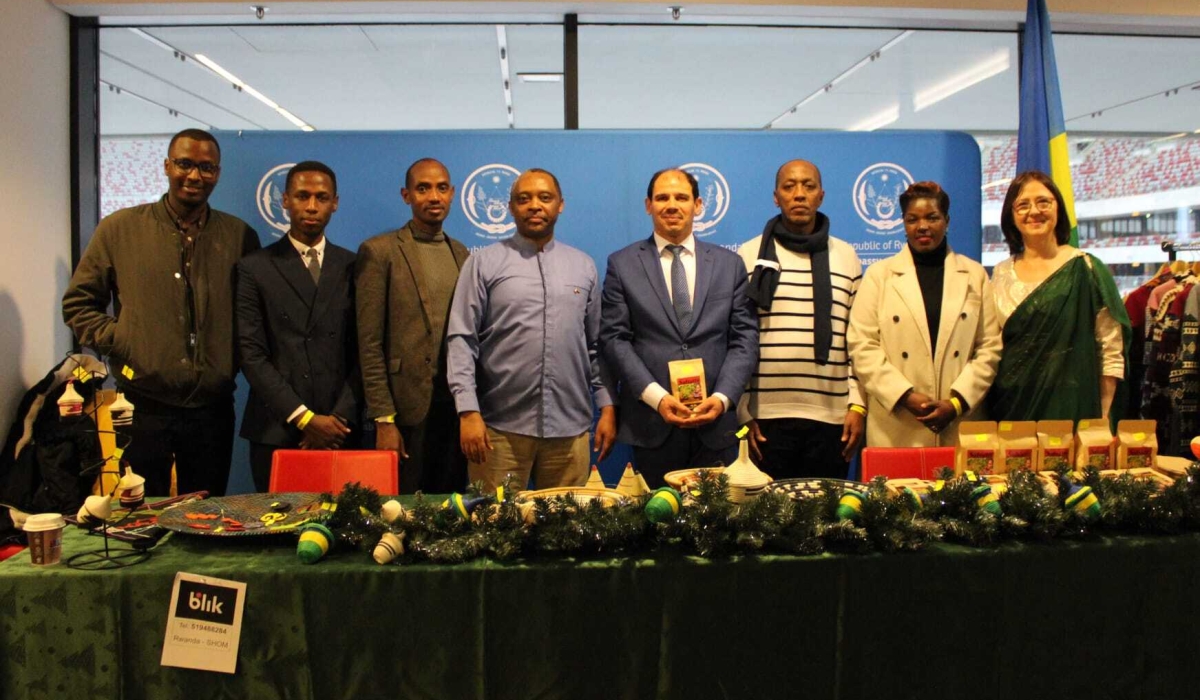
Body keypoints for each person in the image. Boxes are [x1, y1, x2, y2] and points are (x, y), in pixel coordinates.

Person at [62, 129, 260, 497]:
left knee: (206, 517)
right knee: (140, 517)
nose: (195, 176)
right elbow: (78, 304)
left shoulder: (239, 236)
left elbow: (252, 316)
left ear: (217, 173)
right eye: (185, 164)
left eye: (207, 167)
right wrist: (124, 340)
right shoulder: (119, 228)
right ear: (167, 166)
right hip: (140, 404)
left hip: (212, 407)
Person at [447, 168, 615, 490]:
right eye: (524, 199)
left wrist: (607, 405)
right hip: (499, 430)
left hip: (570, 430)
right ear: (511, 207)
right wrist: (468, 411)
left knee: (564, 531)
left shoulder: (583, 266)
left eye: (545, 197)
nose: (534, 205)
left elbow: (596, 346)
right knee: (496, 531)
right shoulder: (484, 263)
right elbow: (462, 340)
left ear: (560, 205)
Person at [600, 168, 759, 486]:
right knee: (659, 524)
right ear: (648, 205)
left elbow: (745, 338)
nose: (671, 205)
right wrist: (657, 397)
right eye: (662, 198)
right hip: (652, 422)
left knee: (717, 527)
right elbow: (615, 339)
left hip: (716, 424)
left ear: (698, 205)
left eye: (681, 197)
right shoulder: (623, 264)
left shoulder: (729, 265)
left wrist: (723, 398)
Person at [235, 161, 361, 491]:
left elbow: (367, 349)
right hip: (278, 427)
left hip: (341, 429)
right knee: (278, 534)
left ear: (335, 202)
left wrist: (338, 419)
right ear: (285, 200)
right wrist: (305, 418)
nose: (311, 206)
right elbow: (252, 354)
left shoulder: (354, 265)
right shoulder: (255, 268)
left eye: (321, 198)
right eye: (302, 196)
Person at [847, 181, 1003, 447]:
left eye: (932, 217)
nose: (922, 226)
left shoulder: (974, 274)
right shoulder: (879, 275)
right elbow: (862, 345)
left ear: (947, 220)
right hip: (896, 424)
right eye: (912, 219)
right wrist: (904, 396)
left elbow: (989, 347)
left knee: (959, 489)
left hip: (959, 421)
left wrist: (956, 403)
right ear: (904, 223)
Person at [735, 160, 864, 479]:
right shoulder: (749, 255)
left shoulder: (846, 256)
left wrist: (857, 405)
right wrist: (741, 412)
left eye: (808, 186)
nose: (799, 194)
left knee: (828, 522)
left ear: (821, 195)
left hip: (832, 418)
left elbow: (858, 340)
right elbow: (738, 339)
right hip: (765, 420)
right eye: (789, 186)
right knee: (768, 524)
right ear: (776, 197)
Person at [356, 158, 470, 494]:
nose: (433, 196)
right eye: (423, 188)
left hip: (453, 408)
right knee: (403, 513)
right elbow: (368, 342)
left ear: (452, 194)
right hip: (404, 412)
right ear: (407, 195)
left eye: (441, 188)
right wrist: (383, 418)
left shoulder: (462, 253)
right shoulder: (380, 251)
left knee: (451, 507)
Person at [988, 171, 1131, 426]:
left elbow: (1110, 349)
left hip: (1072, 407)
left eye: (1043, 202)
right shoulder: (1000, 273)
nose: (1034, 211)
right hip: (1011, 408)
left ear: (1058, 209)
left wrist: (1103, 416)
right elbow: (993, 346)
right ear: (1011, 215)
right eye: (1023, 205)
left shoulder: (1087, 269)